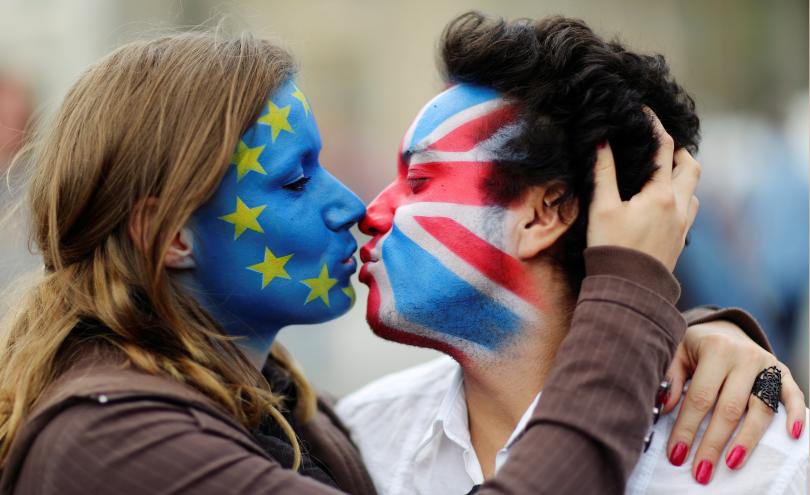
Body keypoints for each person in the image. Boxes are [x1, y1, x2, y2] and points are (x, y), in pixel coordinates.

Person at [0, 26, 797, 495]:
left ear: (546, 213)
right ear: (171, 235)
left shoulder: (314, 428)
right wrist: (631, 302)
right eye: (293, 177)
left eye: (419, 179)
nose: (360, 205)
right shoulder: (109, 445)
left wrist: (698, 335)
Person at [337, 12, 808, 495]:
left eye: (418, 182)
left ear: (544, 214)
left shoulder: (767, 471)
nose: (370, 213)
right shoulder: (360, 442)